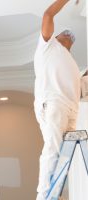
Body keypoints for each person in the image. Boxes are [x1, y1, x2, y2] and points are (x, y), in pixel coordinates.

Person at [34, 0, 81, 199]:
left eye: (72, 35)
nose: (69, 34)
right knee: (52, 148)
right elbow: (48, 15)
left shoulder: (73, 65)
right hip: (54, 103)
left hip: (71, 108)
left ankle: (55, 192)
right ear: (56, 36)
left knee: (64, 156)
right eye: (64, 32)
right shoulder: (48, 47)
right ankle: (44, 195)